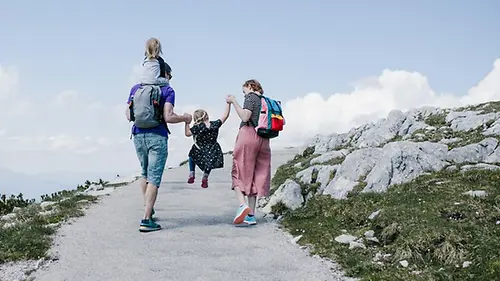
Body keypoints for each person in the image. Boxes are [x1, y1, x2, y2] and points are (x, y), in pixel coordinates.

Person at [126, 61, 191, 232]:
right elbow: (168, 116)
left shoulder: (136, 89)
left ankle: (149, 206)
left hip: (138, 135)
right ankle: (146, 219)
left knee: (144, 172)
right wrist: (184, 118)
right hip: (157, 136)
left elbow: (128, 115)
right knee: (154, 176)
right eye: (170, 75)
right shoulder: (167, 90)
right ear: (164, 73)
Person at [226, 79, 271, 226]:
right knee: (254, 176)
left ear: (250, 86)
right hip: (263, 139)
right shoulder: (265, 100)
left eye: (243, 90)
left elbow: (245, 116)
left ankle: (242, 205)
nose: (243, 93)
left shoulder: (251, 97)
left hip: (248, 134)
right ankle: (251, 215)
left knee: (237, 170)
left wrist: (234, 102)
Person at [184, 103, 231, 188]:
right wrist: (228, 103)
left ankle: (192, 174)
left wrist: (186, 123)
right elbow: (225, 115)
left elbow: (187, 133)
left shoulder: (198, 127)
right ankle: (205, 177)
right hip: (213, 149)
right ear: (207, 115)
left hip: (201, 150)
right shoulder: (215, 124)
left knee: (192, 155)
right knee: (209, 163)